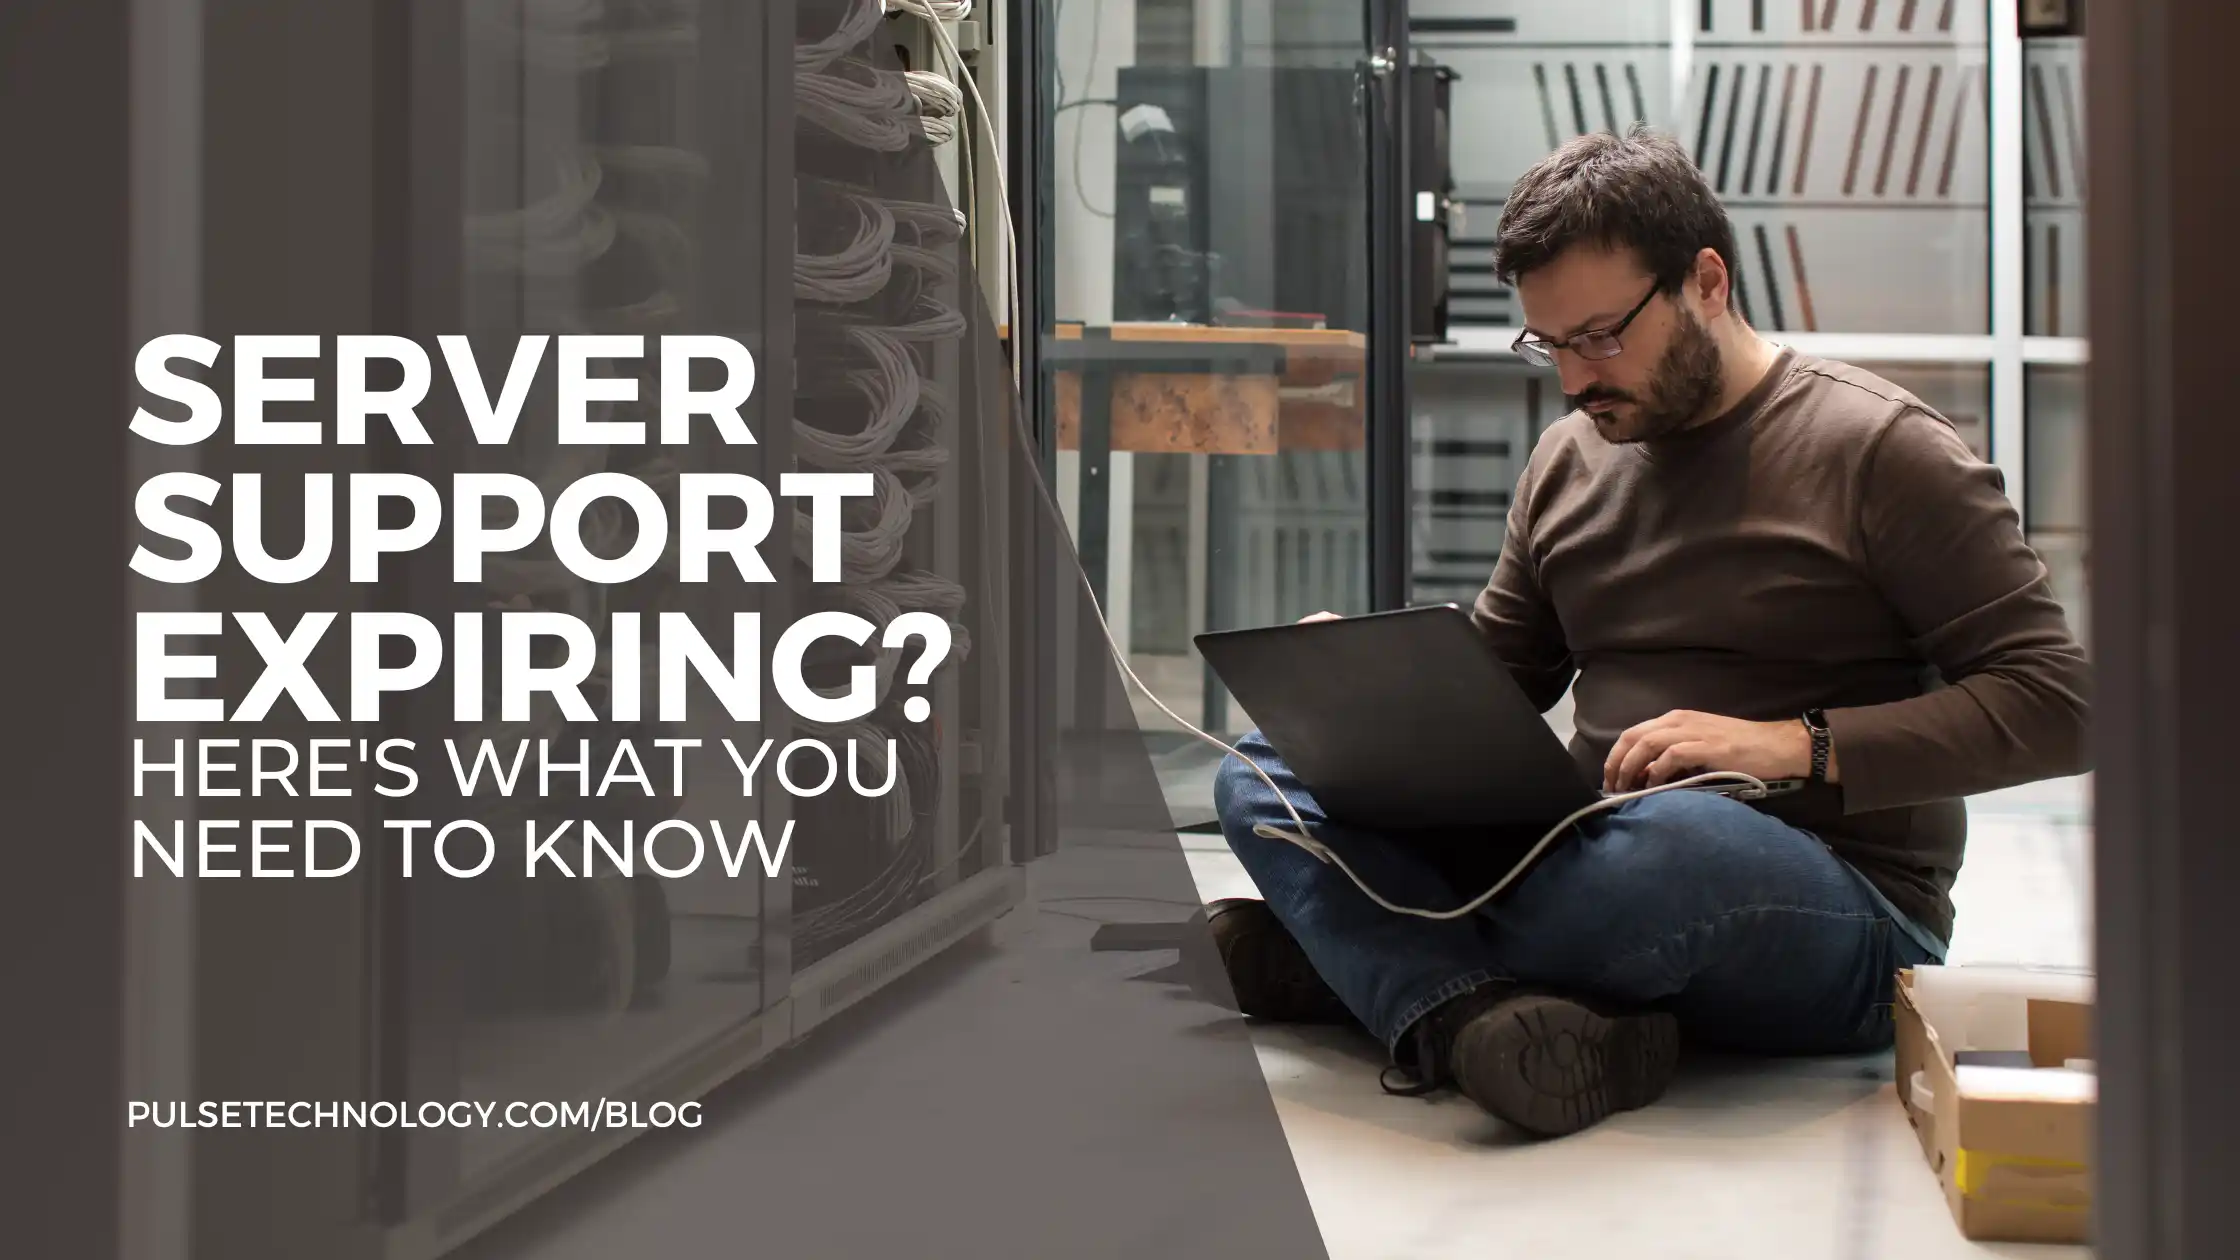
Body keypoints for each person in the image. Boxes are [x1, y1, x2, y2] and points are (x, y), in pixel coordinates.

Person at [1205, 125, 2092, 1140]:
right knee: (1262, 772)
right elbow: (1508, 672)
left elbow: (2060, 705)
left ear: (1704, 281)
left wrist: (1790, 745)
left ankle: (1356, 962)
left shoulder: (1882, 451)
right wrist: (1365, 687)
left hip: (1827, 902)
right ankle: (1466, 1020)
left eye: (1600, 334)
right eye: (1548, 345)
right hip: (1582, 850)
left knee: (1666, 857)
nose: (1575, 380)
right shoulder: (1568, 456)